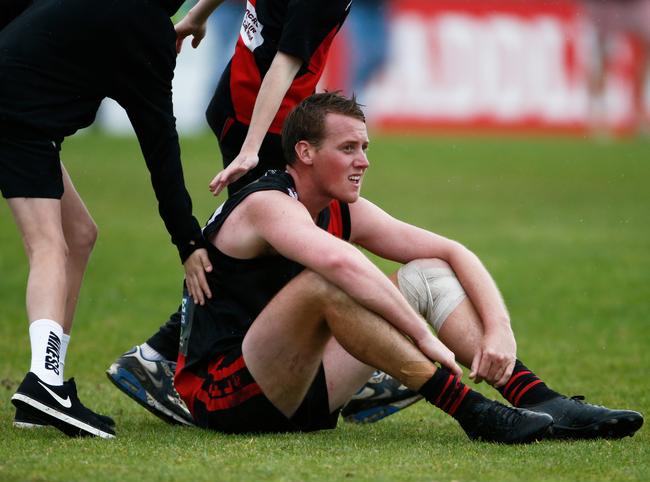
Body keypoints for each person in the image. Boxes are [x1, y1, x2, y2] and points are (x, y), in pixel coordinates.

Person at [173, 92, 643, 440]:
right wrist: (423, 338)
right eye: (348, 148)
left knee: (425, 271)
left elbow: (453, 252)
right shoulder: (267, 203)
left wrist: (500, 331)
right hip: (223, 397)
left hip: (300, 392)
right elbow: (341, 264)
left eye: (365, 147)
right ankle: (471, 411)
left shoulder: (340, 206)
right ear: (305, 152)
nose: (364, 161)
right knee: (328, 282)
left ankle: (535, 396)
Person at [106, 0, 380, 426]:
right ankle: (157, 356)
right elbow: (282, 67)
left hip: (240, 103)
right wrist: (252, 150)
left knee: (276, 241)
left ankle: (159, 356)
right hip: (264, 122)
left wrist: (199, 13)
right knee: (272, 245)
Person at [1, 0, 212, 439]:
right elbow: (161, 148)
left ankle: (46, 386)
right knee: (48, 246)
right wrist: (188, 242)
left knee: (79, 236)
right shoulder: (144, 28)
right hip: (19, 120)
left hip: (20, 112)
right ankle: (46, 384)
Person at [581, 0, 650, 134]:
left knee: (646, 45)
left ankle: (640, 111)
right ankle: (598, 113)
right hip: (604, 5)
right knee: (602, 53)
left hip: (635, 4)